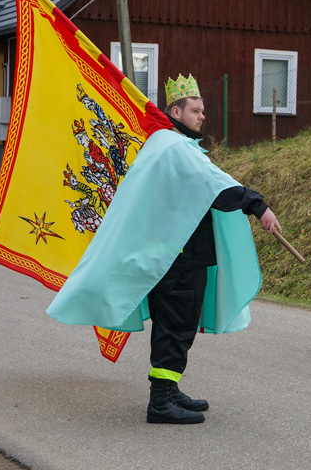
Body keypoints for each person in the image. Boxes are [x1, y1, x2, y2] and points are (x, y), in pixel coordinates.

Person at [47, 74, 282, 424]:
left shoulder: (174, 146)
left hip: (181, 254)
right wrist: (257, 206)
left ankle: (169, 390)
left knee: (179, 325)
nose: (202, 116)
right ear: (176, 110)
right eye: (196, 110)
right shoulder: (171, 146)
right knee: (176, 325)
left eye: (203, 110)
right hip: (178, 258)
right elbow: (215, 185)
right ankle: (160, 402)